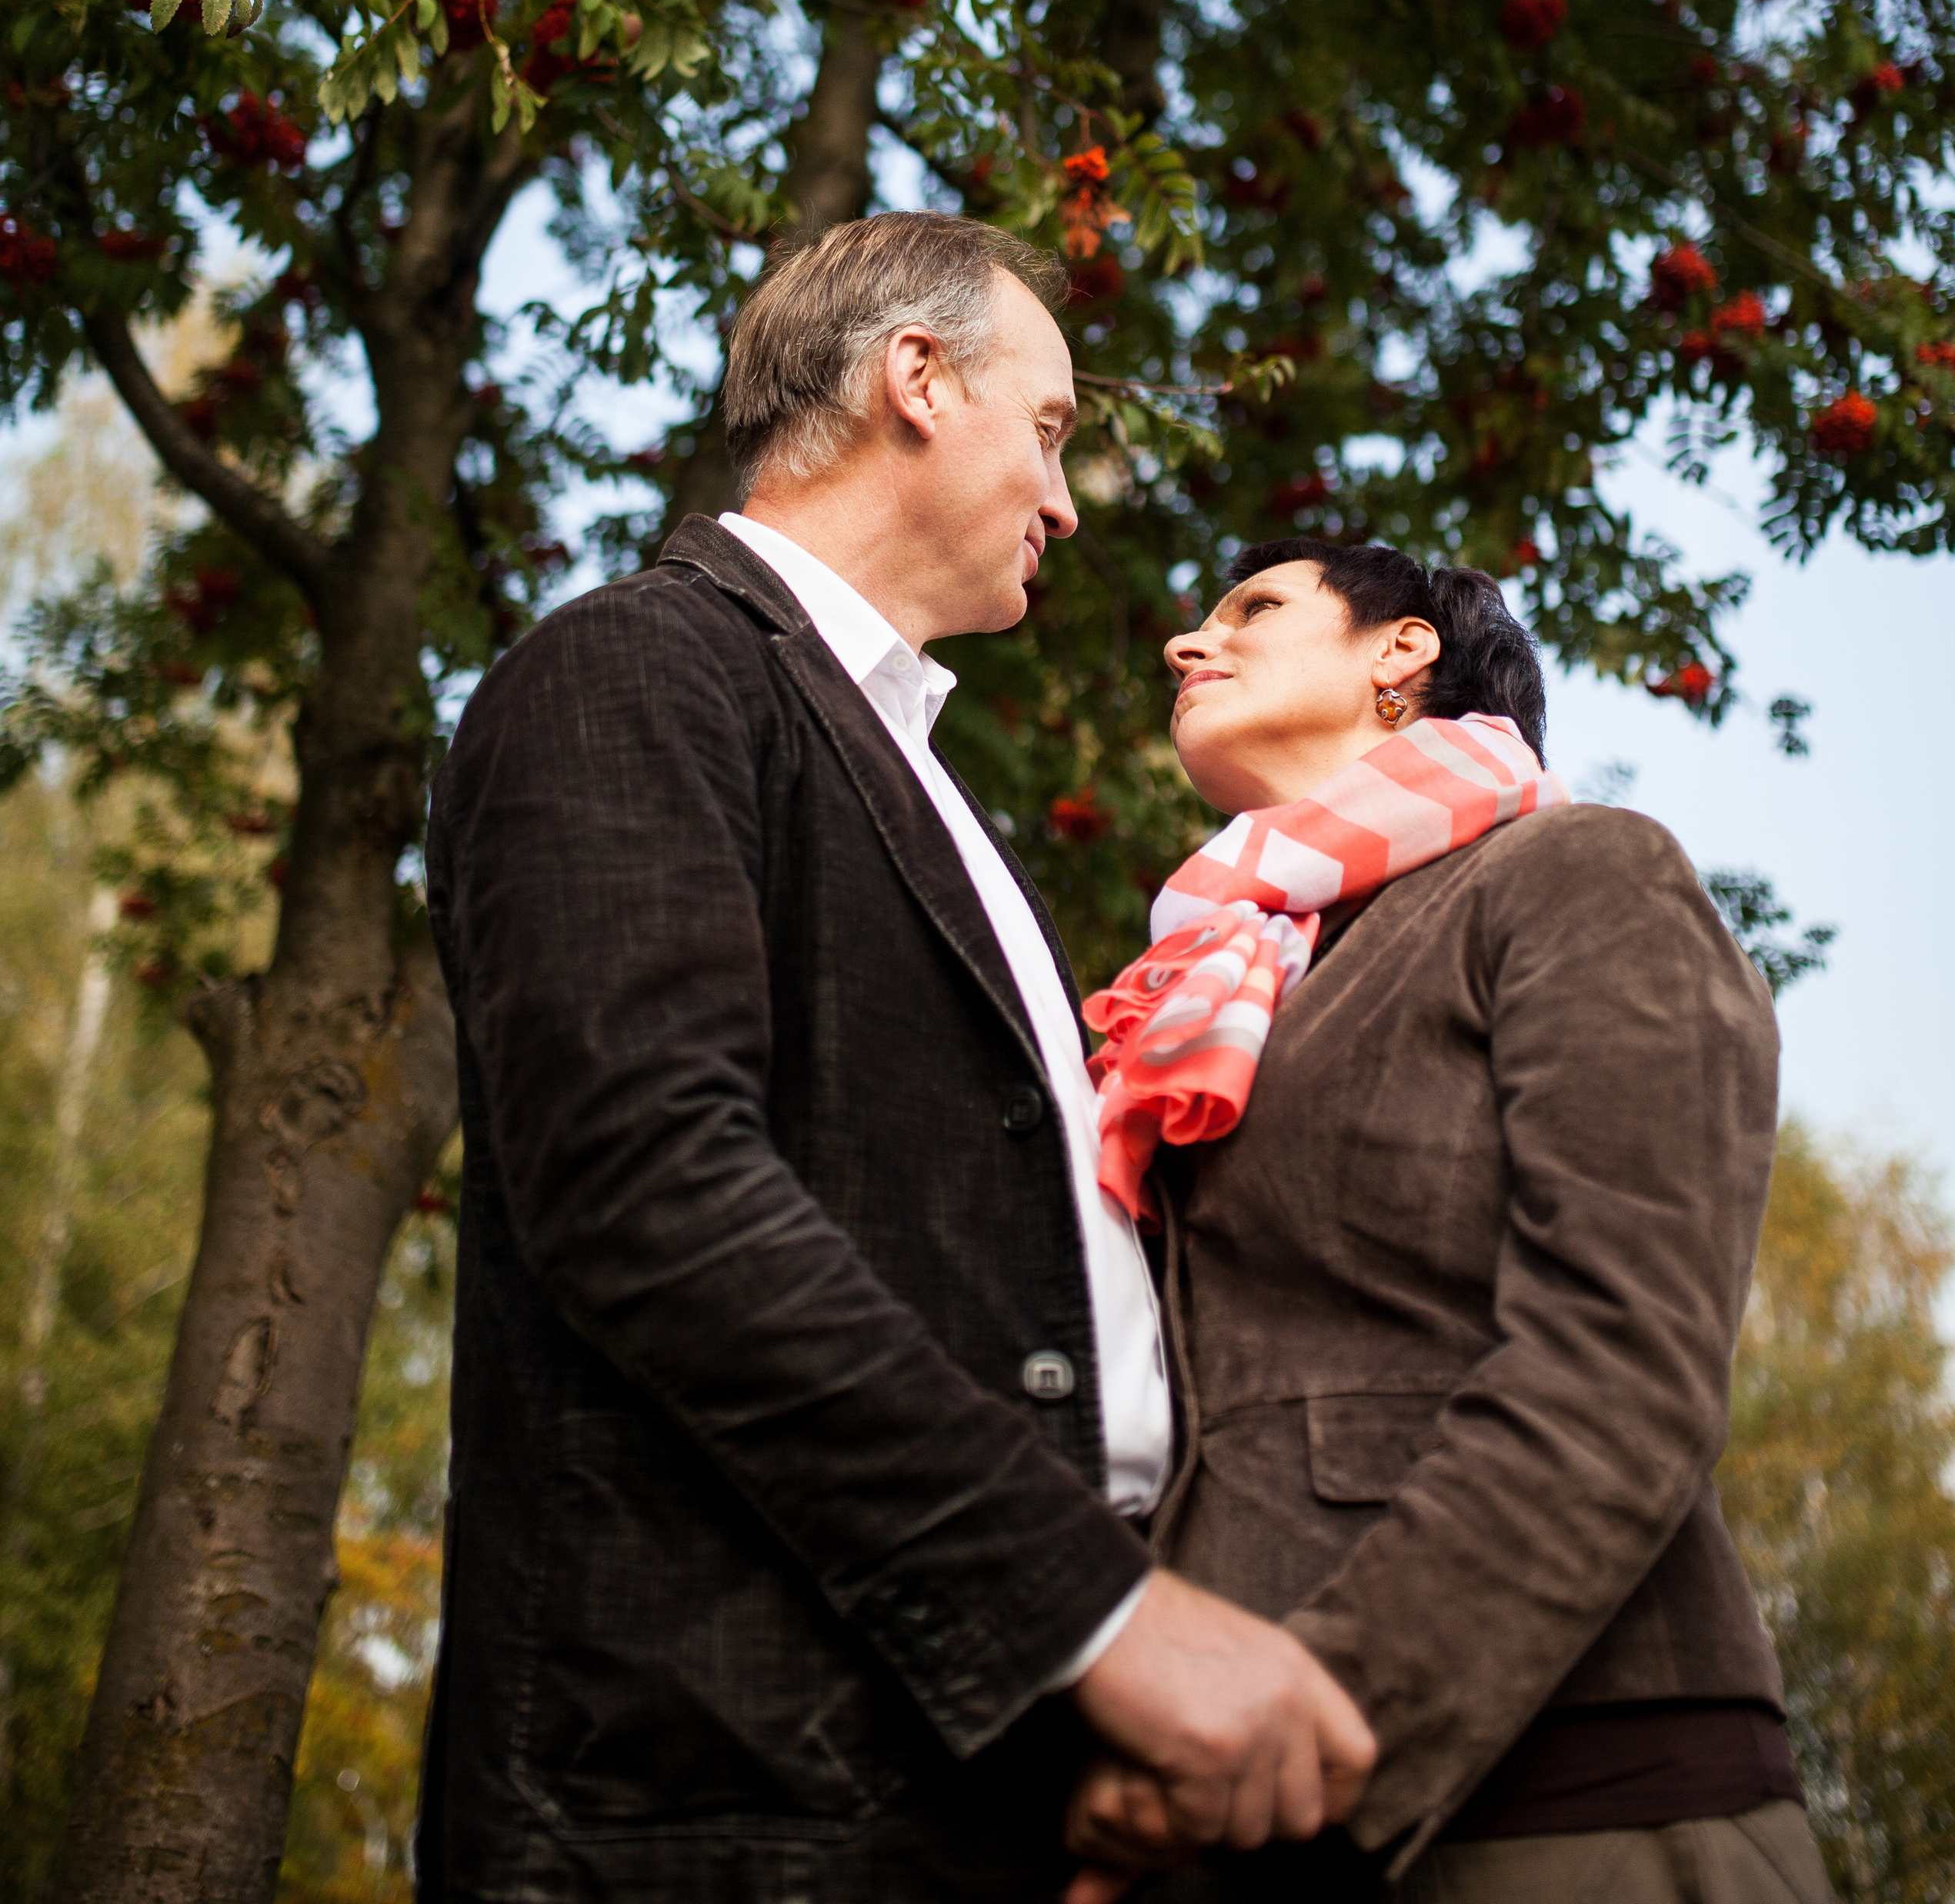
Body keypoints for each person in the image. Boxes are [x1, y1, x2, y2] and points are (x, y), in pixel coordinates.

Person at [415, 216, 1373, 1904]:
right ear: (913, 380)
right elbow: (653, 1195)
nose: (1069, 504)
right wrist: (1092, 1614)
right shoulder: (632, 673)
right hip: (725, 1803)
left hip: (982, 1773)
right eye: (1055, 429)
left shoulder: (914, 771)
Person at [1065, 542, 1830, 1904]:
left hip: (1568, 1804)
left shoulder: (1579, 877)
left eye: (1250, 610)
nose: (1187, 644)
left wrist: (1322, 1705)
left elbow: (1622, 1369)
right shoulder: (1205, 989)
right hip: (1223, 1804)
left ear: (1400, 656)